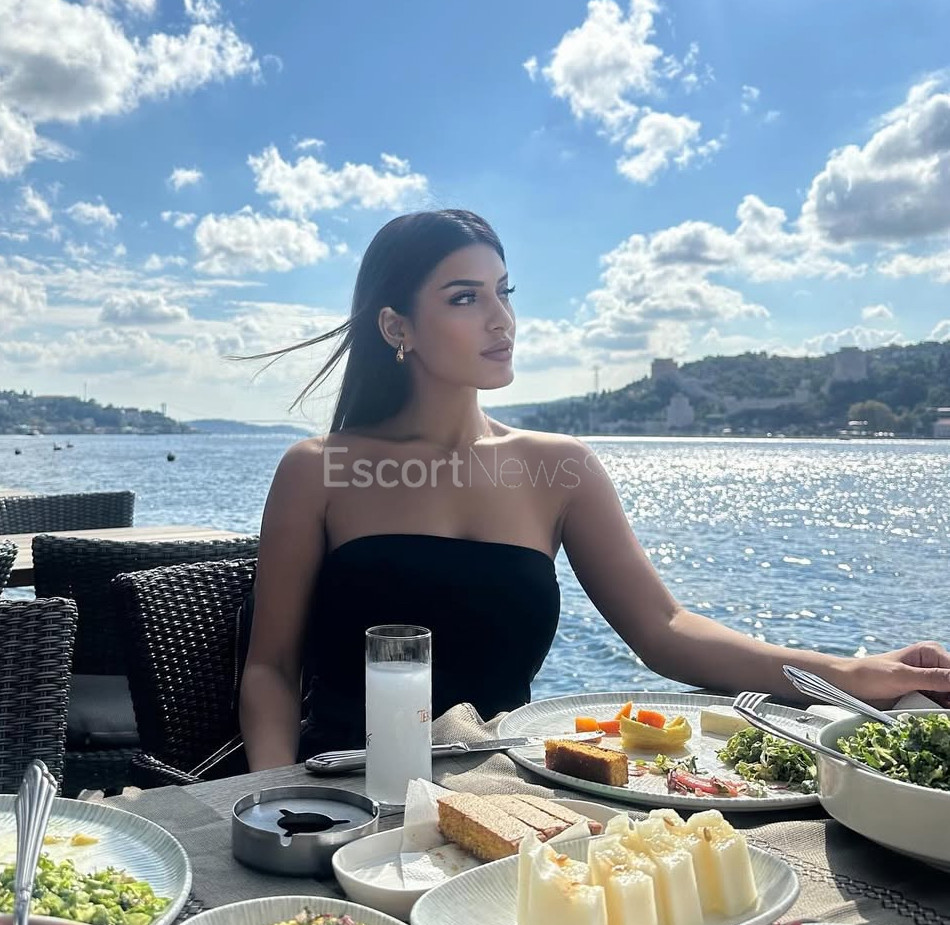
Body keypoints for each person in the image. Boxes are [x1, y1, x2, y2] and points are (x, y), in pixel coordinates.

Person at [239, 208, 950, 771]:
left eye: (503, 292)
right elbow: (271, 668)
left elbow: (666, 632)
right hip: (345, 793)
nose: (500, 319)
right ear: (397, 326)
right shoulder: (319, 468)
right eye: (464, 298)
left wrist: (850, 673)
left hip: (507, 791)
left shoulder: (561, 467)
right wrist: (271, 797)